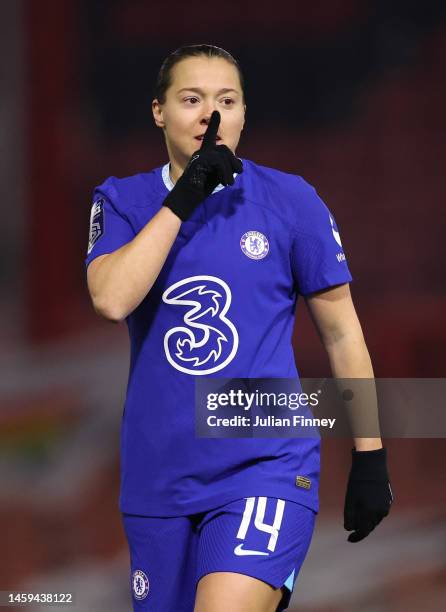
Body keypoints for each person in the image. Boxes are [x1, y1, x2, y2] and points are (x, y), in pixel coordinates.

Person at [85, 44, 393, 612]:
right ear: (159, 112)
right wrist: (184, 198)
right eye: (192, 99)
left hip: (264, 466)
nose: (211, 114)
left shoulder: (292, 202)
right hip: (158, 483)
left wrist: (370, 457)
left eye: (226, 100)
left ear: (245, 113)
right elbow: (110, 298)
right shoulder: (123, 200)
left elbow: (342, 334)